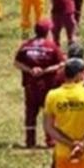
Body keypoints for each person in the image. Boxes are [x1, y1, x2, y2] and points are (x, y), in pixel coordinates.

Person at [14, 20, 63, 148]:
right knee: (49, 113)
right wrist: (45, 71)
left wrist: (30, 70)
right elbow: (61, 64)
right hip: (48, 85)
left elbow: (17, 63)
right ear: (48, 32)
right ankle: (50, 140)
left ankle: (30, 141)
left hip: (30, 85)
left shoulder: (26, 45)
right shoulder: (52, 46)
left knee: (30, 112)